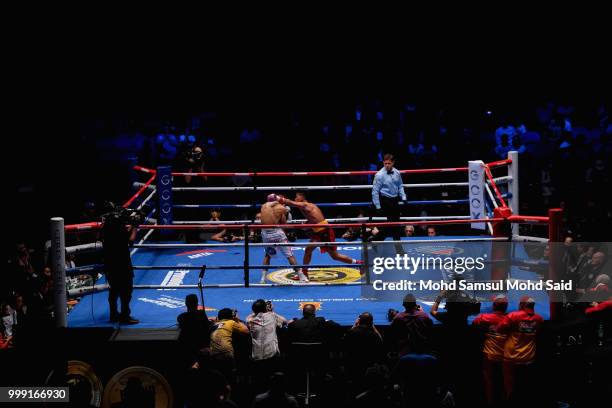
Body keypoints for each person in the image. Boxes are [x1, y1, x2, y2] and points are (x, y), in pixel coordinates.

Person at [276, 192, 362, 281]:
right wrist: (307, 223)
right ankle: (304, 273)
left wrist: (278, 198)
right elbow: (315, 218)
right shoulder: (306, 206)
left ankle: (359, 263)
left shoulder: (305, 204)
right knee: (308, 250)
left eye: (296, 197)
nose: (295, 199)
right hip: (318, 232)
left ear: (302, 197)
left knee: (335, 256)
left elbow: (291, 203)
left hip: (325, 232)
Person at [497, 296, 544, 404]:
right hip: (529, 358)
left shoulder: (513, 316)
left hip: (511, 358)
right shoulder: (539, 319)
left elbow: (499, 328)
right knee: (526, 387)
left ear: (522, 305)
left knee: (510, 387)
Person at [101, 211, 139, 325]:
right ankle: (125, 316)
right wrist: (135, 226)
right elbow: (131, 240)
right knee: (126, 292)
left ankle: (113, 315)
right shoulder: (119, 231)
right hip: (122, 265)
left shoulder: (106, 230)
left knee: (113, 291)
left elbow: (123, 236)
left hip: (110, 265)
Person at [472, 295, 509, 407]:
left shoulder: (484, 317)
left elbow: (474, 323)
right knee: (506, 382)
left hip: (489, 355)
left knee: (489, 382)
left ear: (494, 306)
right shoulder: (512, 319)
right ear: (506, 307)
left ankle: (490, 403)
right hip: (506, 356)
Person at [260, 195, 303, 283]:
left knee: (267, 255)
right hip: (276, 233)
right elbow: (284, 223)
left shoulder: (263, 206)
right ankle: (301, 276)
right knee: (289, 255)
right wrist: (284, 210)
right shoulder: (281, 208)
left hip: (265, 233)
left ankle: (263, 278)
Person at [370, 154, 407, 254]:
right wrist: (378, 206)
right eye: (385, 163)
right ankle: (399, 250)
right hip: (385, 201)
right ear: (383, 163)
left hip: (394, 201)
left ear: (393, 163)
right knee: (392, 226)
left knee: (394, 226)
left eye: (389, 163)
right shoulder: (379, 175)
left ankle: (374, 241)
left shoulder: (397, 173)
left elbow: (400, 186)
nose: (387, 165)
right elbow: (375, 191)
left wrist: (403, 197)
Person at [177, 294, 213, 368]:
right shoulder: (202, 314)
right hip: (202, 347)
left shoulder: (181, 317)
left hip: (188, 349)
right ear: (197, 304)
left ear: (186, 304)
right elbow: (207, 327)